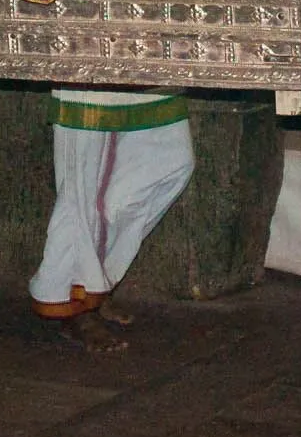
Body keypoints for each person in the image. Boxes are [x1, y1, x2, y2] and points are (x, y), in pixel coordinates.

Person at [27, 88, 193, 351]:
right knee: (82, 188)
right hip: (85, 65)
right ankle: (74, 303)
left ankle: (94, 284)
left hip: (139, 60)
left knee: (171, 161)